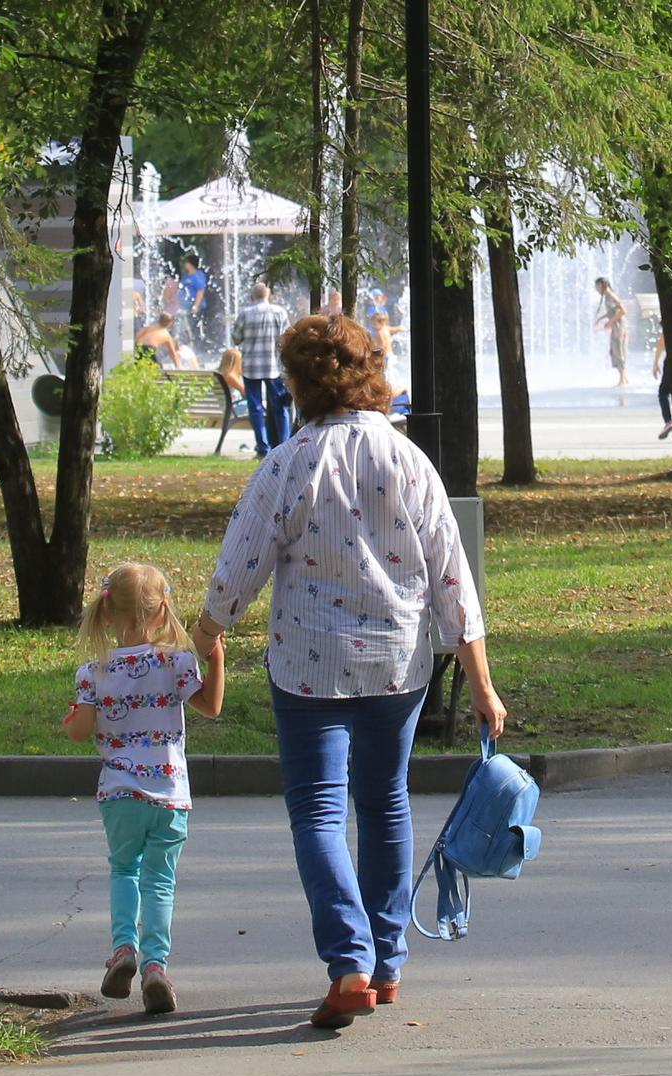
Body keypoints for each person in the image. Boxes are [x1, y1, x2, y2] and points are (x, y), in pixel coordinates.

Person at [195, 314, 506, 1032]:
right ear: (371, 374)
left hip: (307, 667)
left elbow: (241, 564)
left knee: (318, 813)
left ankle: (350, 963)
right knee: (386, 803)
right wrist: (481, 682)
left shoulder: (288, 462)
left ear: (300, 383)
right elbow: (452, 575)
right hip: (399, 664)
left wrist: (210, 629)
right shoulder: (408, 460)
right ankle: (388, 960)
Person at [63, 562, 226, 1017]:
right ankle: (156, 965)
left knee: (124, 870)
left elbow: (80, 731)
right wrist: (216, 658)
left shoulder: (92, 672)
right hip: (169, 795)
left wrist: (74, 716)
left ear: (107, 611)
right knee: (160, 880)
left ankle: (122, 951)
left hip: (119, 794)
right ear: (163, 611)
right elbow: (211, 707)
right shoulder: (176, 663)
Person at [233, 284, 295, 456]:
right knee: (280, 406)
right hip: (273, 366)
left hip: (251, 366)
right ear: (268, 295)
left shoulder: (245, 313)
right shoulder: (279, 312)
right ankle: (284, 445)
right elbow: (286, 338)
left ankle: (263, 446)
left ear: (252, 296)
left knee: (255, 407)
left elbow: (236, 338)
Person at [595, 278, 629, 395]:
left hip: (619, 327)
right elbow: (612, 311)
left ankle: (622, 379)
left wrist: (611, 322)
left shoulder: (610, 295)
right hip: (617, 327)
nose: (596, 289)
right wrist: (601, 318)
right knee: (614, 351)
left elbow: (623, 310)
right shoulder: (608, 296)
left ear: (602, 285)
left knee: (619, 351)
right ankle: (623, 378)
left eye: (597, 286)